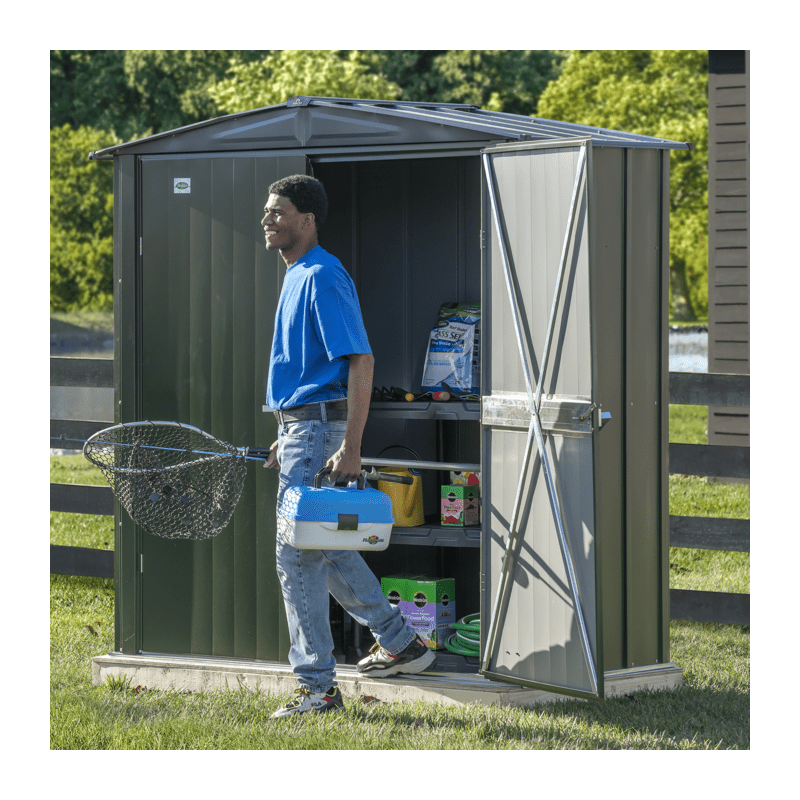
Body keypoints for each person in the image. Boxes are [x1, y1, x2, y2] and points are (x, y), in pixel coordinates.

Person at [261, 175, 434, 718]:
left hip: (317, 434)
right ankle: (402, 642)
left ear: (306, 219)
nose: (267, 220)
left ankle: (316, 687)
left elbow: (361, 362)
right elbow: (311, 374)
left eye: (277, 212)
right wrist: (286, 432)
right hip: (301, 431)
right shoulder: (296, 274)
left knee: (296, 555)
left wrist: (350, 445)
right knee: (327, 548)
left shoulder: (322, 277)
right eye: (266, 212)